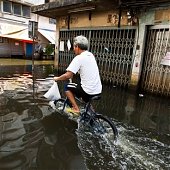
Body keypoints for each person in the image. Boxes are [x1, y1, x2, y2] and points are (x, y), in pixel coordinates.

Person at [54, 35, 102, 115]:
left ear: (77, 46)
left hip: (88, 91)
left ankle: (76, 108)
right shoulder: (91, 55)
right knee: (84, 96)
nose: (74, 49)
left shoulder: (79, 58)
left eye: (74, 47)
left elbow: (68, 75)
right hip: (98, 90)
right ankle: (92, 115)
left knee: (66, 87)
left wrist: (57, 78)